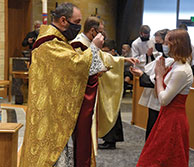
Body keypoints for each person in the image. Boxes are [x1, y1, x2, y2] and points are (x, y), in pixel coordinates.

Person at [19, 3, 105, 167]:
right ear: (64, 20)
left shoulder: (57, 41)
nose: (79, 27)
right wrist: (93, 48)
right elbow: (76, 66)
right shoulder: (50, 44)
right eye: (77, 21)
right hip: (50, 115)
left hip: (54, 110)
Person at [71, 16, 138, 166]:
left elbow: (103, 57)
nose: (103, 35)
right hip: (81, 97)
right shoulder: (78, 44)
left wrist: (122, 60)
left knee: (88, 135)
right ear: (93, 30)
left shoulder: (89, 43)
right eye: (101, 31)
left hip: (91, 95)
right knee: (82, 135)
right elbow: (81, 68)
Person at [137, 29, 193, 167]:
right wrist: (158, 76)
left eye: (167, 42)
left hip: (174, 119)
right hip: (166, 115)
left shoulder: (181, 70)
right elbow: (158, 93)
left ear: (176, 44)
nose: (164, 45)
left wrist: (159, 76)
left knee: (166, 158)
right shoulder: (173, 64)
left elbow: (163, 99)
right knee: (155, 156)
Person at [130, 28, 172, 141]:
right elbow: (149, 70)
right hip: (155, 99)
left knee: (157, 132)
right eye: (156, 43)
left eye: (160, 43)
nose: (157, 46)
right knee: (151, 129)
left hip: (161, 100)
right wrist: (140, 72)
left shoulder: (171, 61)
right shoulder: (161, 58)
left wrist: (141, 74)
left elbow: (154, 79)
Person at [98, 39, 124, 149]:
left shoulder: (116, 60)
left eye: (105, 51)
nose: (103, 54)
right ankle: (108, 139)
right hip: (105, 90)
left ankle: (111, 140)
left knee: (112, 113)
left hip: (112, 91)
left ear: (112, 51)